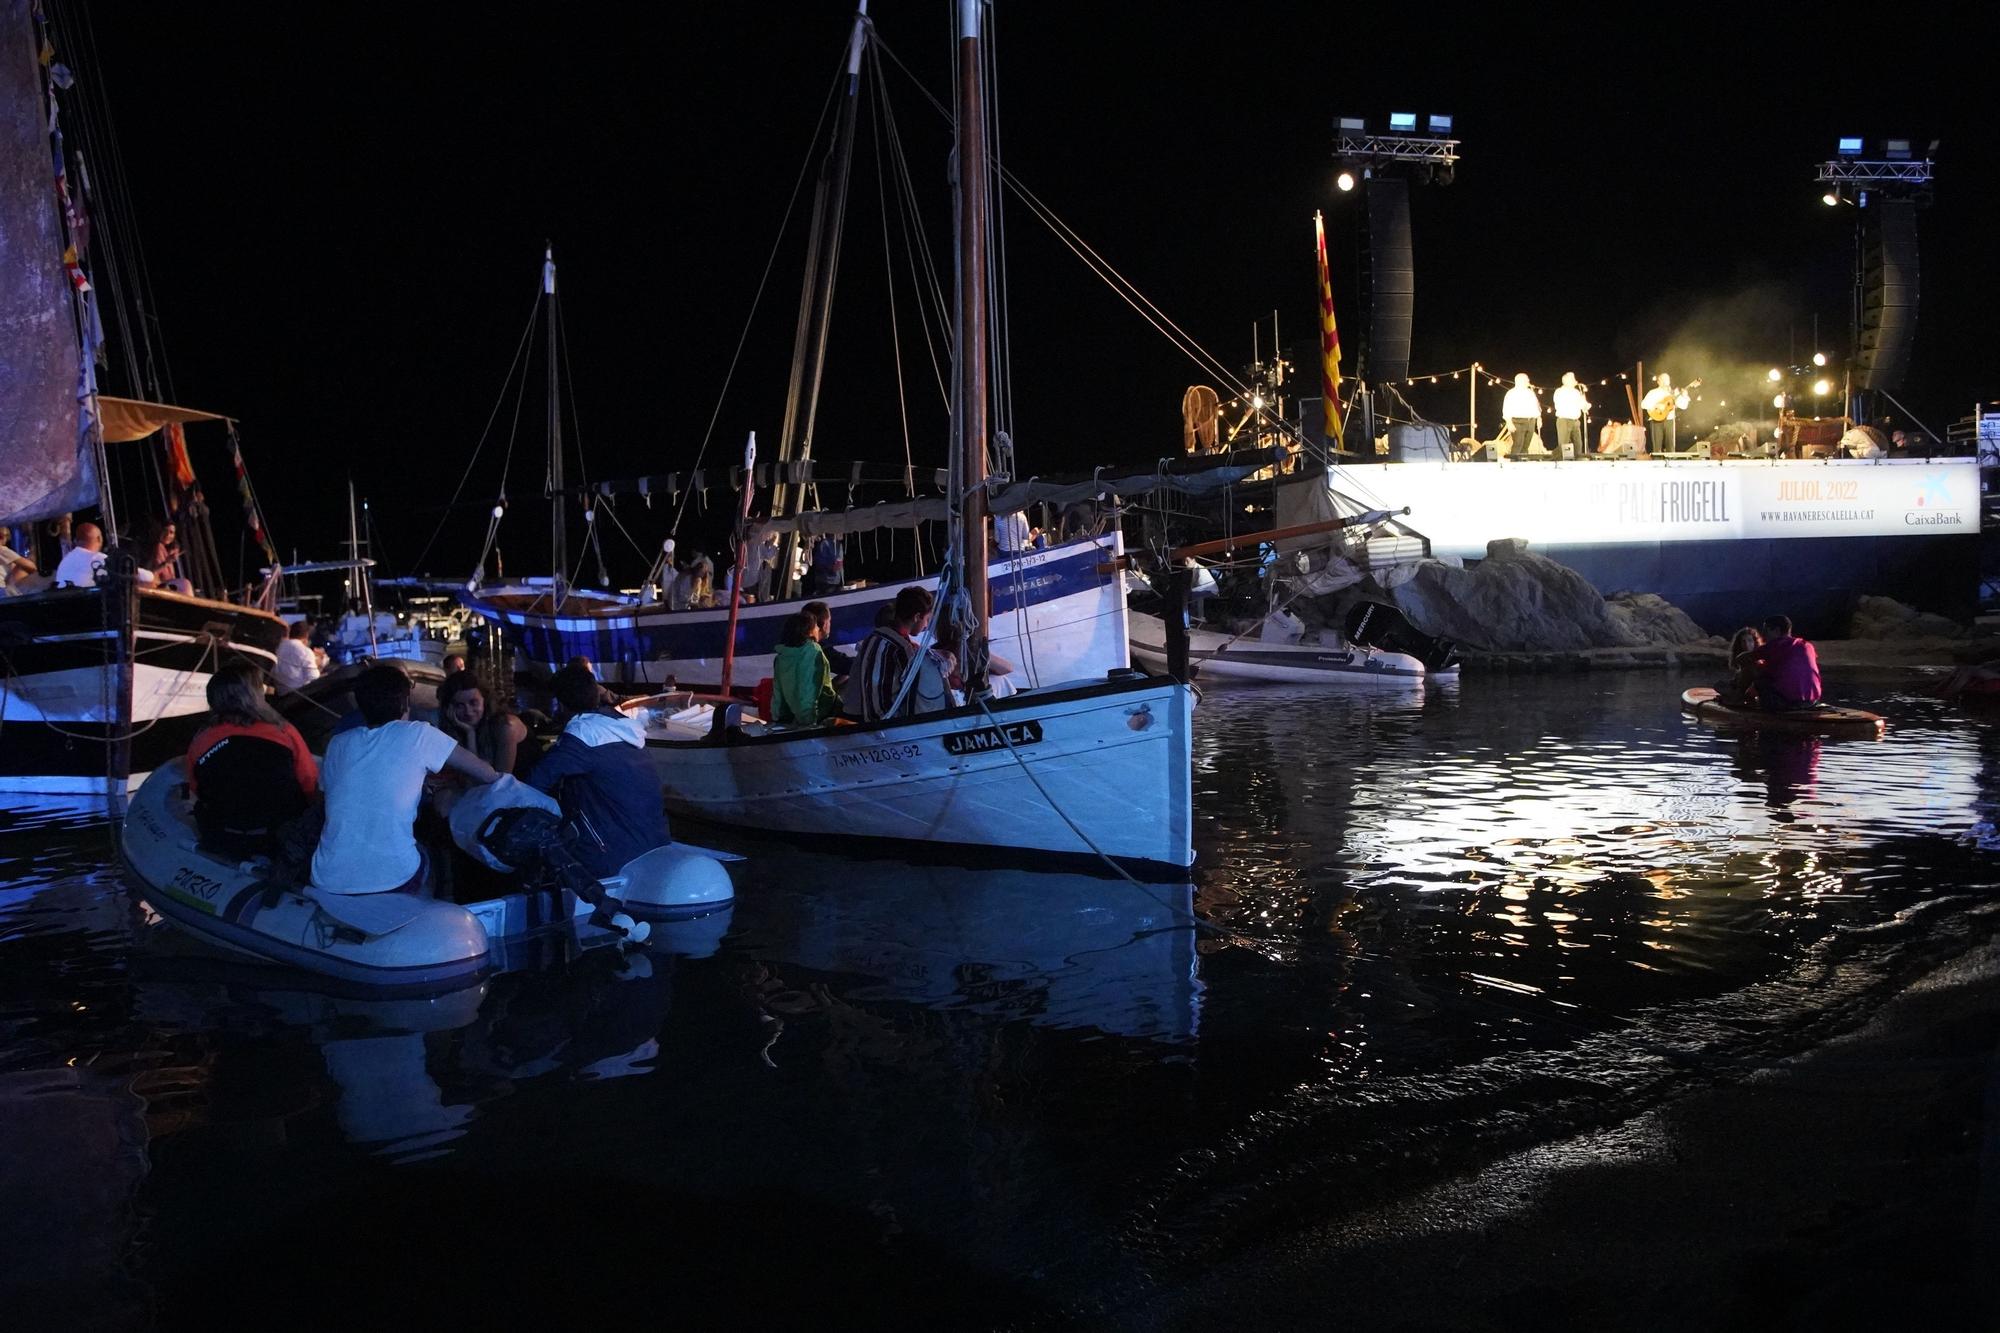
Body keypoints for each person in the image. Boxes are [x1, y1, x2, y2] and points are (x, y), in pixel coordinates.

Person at [311, 664, 500, 895]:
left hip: (326, 876)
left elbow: (328, 795)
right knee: (428, 854)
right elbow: (487, 774)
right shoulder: (418, 733)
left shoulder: (339, 742)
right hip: (393, 879)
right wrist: (470, 733)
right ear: (405, 703)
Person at [528, 663, 671, 879]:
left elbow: (533, 784)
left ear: (561, 704)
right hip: (656, 843)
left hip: (614, 857)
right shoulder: (623, 727)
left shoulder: (581, 738)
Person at [186, 660, 320, 862]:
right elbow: (309, 784)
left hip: (225, 835)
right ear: (255, 696)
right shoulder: (284, 733)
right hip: (279, 836)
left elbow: (196, 788)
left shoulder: (201, 740)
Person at [848, 585, 952, 721]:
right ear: (917, 617)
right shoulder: (901, 649)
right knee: (933, 669)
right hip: (889, 719)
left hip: (869, 717)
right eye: (926, 620)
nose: (926, 625)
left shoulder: (873, 638)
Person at [435, 670, 529, 775]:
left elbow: (499, 781)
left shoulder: (505, 726)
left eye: (473, 703)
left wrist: (470, 734)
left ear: (485, 700)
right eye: (459, 705)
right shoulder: (459, 727)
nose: (468, 712)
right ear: (449, 708)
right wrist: (470, 733)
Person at [770, 612, 841, 726]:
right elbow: (808, 689)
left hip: (790, 718)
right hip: (820, 716)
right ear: (809, 631)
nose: (819, 629)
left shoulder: (781, 656)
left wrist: (778, 719)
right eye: (816, 626)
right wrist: (809, 723)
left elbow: (778, 694)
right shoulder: (812, 650)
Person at [1746, 615, 1822, 712]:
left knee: (1761, 678)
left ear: (1777, 630)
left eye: (1766, 631)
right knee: (1767, 673)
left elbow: (1744, 658)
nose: (1764, 636)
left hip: (1787, 704)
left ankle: (1744, 701)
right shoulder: (1807, 645)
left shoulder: (1774, 645)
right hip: (1812, 701)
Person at [1640, 373, 1691, 454]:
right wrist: (1656, 405)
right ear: (1658, 381)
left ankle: (1671, 464)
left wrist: (1684, 396)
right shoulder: (1653, 392)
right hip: (1656, 419)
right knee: (1657, 447)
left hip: (1669, 420)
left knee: (1670, 446)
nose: (1665, 381)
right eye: (1663, 379)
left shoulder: (1674, 393)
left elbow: (1683, 406)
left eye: (1667, 379)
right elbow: (1643, 404)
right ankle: (1657, 463)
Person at [802, 600, 852, 681]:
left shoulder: (794, 644)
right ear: (825, 624)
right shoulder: (817, 649)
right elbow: (846, 665)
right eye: (829, 621)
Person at [1718, 626, 1763, 706]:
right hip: (1740, 689)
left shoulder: (1757, 663)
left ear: (1755, 642)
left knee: (1722, 687)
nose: (1746, 644)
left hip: (1749, 692)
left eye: (1750, 641)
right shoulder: (1741, 660)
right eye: (1743, 641)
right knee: (1719, 684)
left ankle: (1735, 699)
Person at [273, 619, 322, 690]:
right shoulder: (305, 651)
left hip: (281, 691)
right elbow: (313, 677)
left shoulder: (279, 647)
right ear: (306, 635)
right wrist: (319, 665)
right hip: (299, 693)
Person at [1502, 374, 1542, 460]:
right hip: (1517, 421)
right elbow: (1506, 409)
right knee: (1518, 444)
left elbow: (1536, 407)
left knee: (1526, 445)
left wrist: (1539, 418)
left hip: (1531, 420)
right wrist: (1509, 422)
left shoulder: (1530, 392)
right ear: (1520, 381)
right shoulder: (1511, 393)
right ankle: (1513, 464)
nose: (1528, 382)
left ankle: (1523, 463)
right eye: (1527, 380)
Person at [1552, 372, 1590, 459]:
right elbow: (1562, 404)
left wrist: (1585, 406)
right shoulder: (1559, 391)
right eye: (1572, 379)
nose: (1575, 381)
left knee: (1578, 443)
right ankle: (1558, 458)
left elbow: (1582, 404)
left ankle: (1578, 458)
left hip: (1575, 420)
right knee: (1564, 444)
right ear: (1566, 381)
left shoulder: (1576, 392)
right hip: (1564, 419)